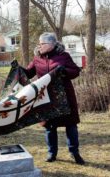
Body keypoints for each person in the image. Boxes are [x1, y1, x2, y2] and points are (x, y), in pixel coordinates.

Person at [24, 32, 85, 165]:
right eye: (39, 43)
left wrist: (64, 71)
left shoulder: (64, 56)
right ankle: (52, 153)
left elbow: (75, 71)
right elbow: (28, 73)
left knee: (71, 125)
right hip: (46, 98)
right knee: (50, 126)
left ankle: (74, 153)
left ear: (51, 44)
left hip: (65, 97)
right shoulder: (37, 59)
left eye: (42, 43)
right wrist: (18, 69)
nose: (39, 46)